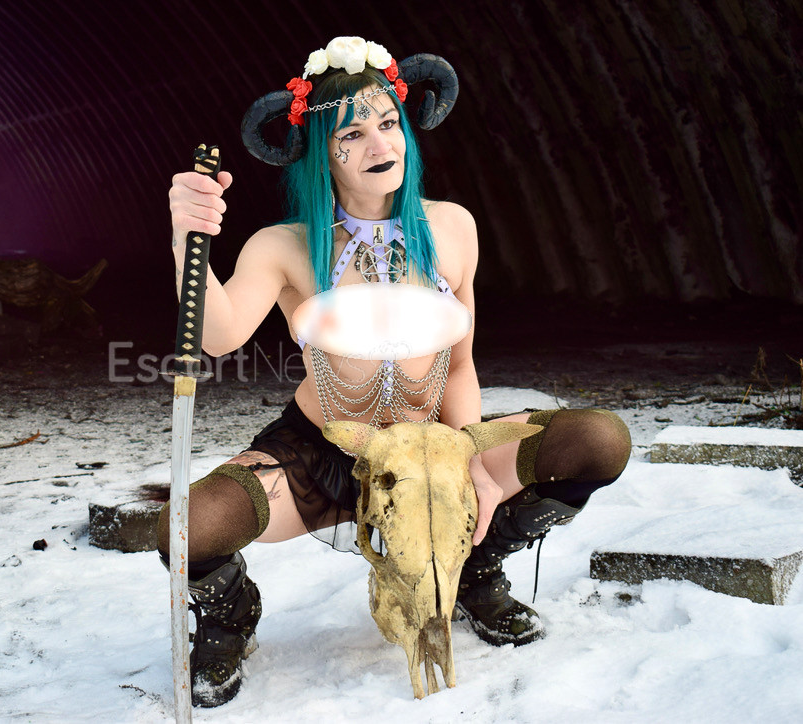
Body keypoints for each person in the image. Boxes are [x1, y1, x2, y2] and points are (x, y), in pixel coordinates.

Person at [161, 36, 631, 708]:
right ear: (321, 155)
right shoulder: (284, 246)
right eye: (351, 134)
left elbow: (460, 365)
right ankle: (229, 617)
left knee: (598, 440)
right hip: (324, 457)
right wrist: (188, 239)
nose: (380, 144)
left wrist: (471, 463)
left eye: (388, 123)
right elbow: (217, 335)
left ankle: (473, 570)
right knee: (188, 524)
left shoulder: (453, 228)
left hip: (437, 445)